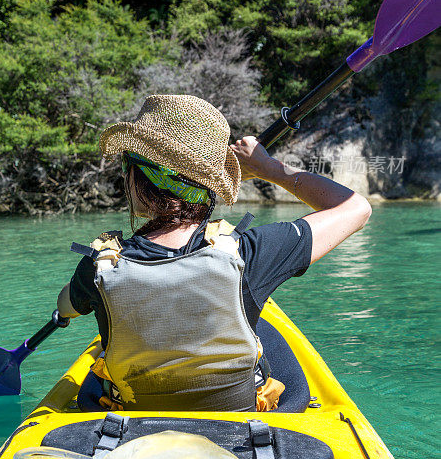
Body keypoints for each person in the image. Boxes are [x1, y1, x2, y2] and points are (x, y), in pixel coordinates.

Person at [57, 94, 371, 412]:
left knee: (99, 365)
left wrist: (66, 311)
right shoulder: (251, 253)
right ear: (209, 186)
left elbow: (66, 305)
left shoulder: (99, 266)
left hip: (133, 423)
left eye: (127, 165)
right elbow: (356, 208)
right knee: (260, 327)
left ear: (139, 178)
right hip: (242, 428)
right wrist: (268, 168)